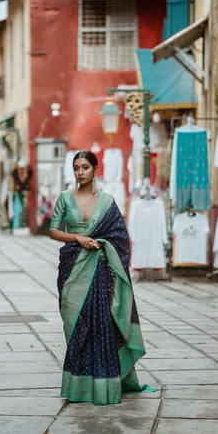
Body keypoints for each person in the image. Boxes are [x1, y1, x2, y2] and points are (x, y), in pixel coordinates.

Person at [49, 150, 149, 405]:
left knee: (101, 326)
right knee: (76, 325)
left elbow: (120, 237)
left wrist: (101, 243)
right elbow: (53, 231)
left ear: (95, 170)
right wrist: (78, 238)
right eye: (76, 168)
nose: (80, 172)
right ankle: (79, 386)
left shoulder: (107, 201)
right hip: (73, 268)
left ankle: (105, 386)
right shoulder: (64, 198)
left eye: (85, 167)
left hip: (101, 269)